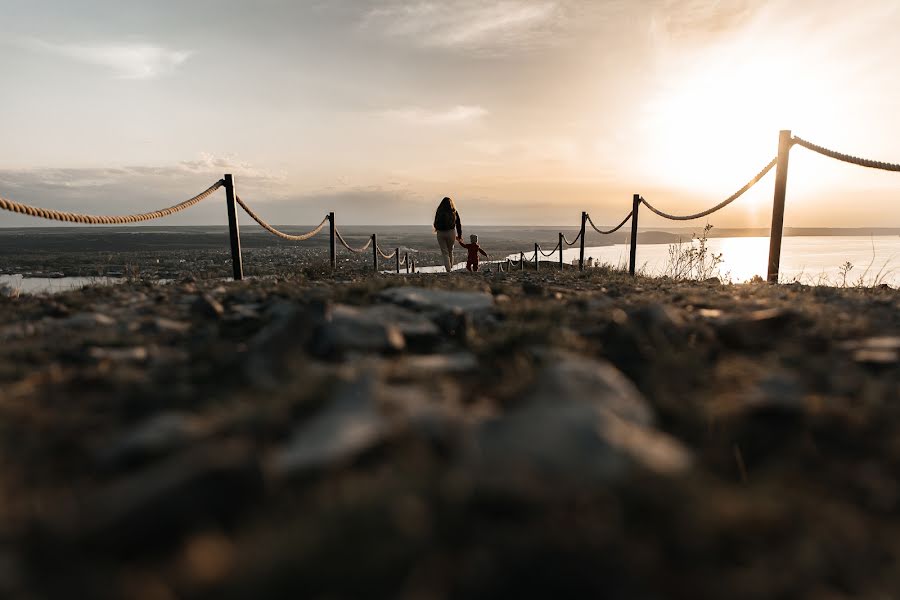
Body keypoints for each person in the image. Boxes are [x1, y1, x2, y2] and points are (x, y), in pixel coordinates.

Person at [433, 197, 462, 273]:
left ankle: (448, 269)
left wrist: (437, 229)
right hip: (451, 232)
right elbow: (458, 224)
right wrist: (459, 236)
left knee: (444, 252)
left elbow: (435, 222)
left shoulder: (439, 211)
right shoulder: (454, 211)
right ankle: (450, 267)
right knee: (450, 251)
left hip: (440, 233)